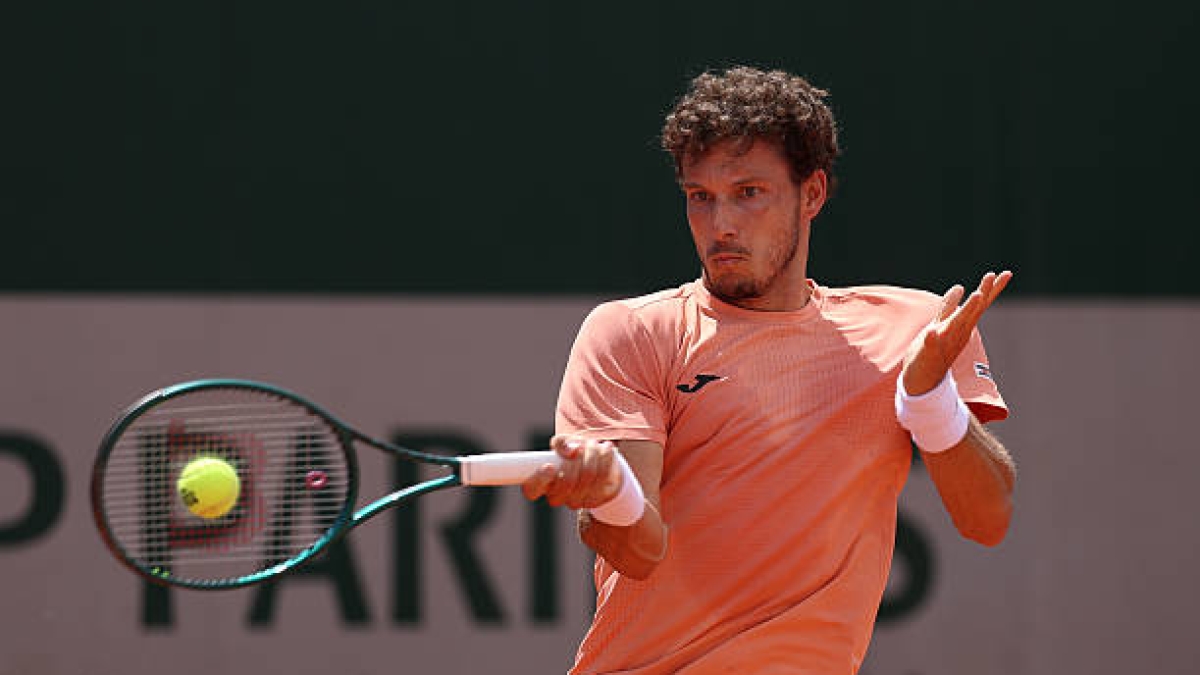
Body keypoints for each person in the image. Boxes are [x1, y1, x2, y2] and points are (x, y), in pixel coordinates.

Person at [521, 65, 1016, 675]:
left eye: (748, 193)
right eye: (700, 197)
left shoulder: (917, 330)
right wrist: (610, 498)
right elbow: (638, 550)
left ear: (811, 194)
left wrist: (929, 399)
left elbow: (988, 518)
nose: (720, 225)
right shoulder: (633, 333)